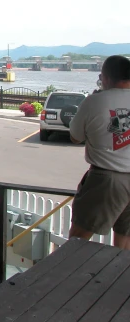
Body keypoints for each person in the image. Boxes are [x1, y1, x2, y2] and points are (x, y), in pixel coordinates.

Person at [69, 55, 130, 249]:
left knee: (77, 239)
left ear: (106, 77)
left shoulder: (94, 102)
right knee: (125, 240)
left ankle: (66, 278)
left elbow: (75, 136)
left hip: (107, 179)